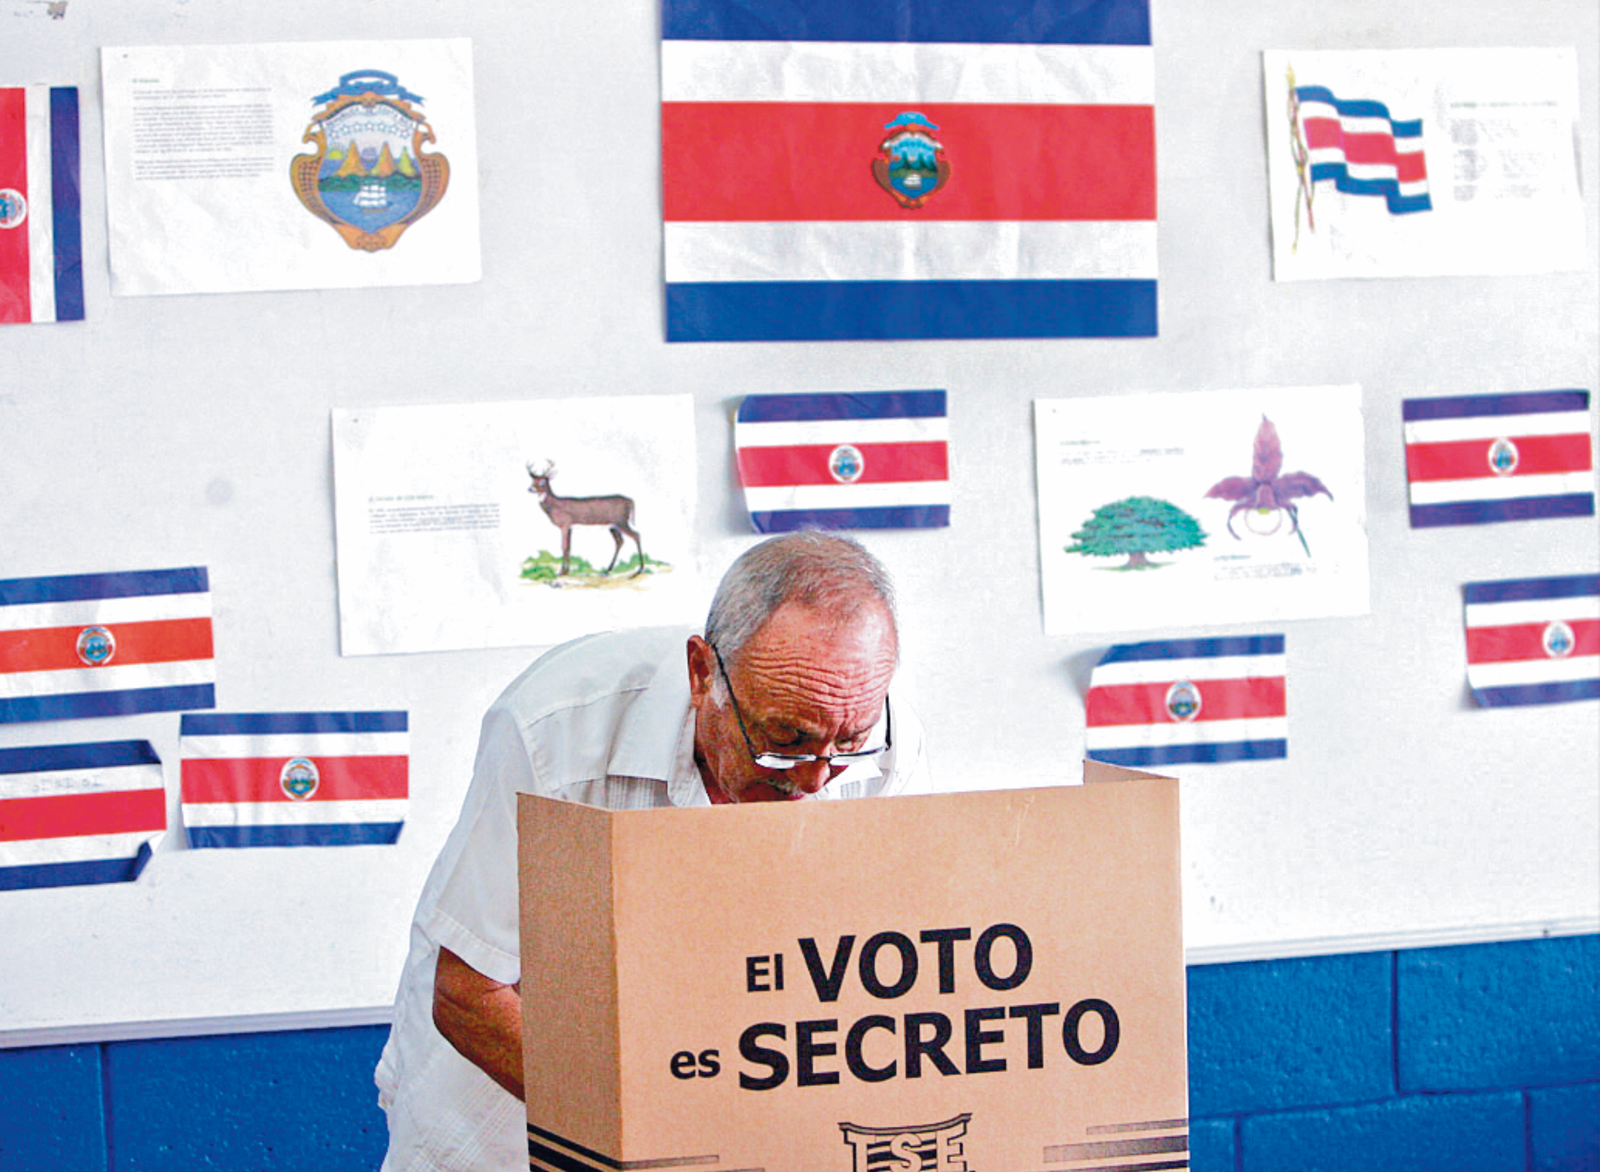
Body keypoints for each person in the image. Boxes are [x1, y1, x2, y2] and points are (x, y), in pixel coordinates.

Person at [375, 531, 931, 1171]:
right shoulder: (557, 728)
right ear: (701, 674)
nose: (813, 778)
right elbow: (467, 993)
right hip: (506, 1111)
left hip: (734, 1099)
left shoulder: (885, 746)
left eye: (845, 743)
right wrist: (655, 1142)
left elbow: (886, 978)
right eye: (784, 739)